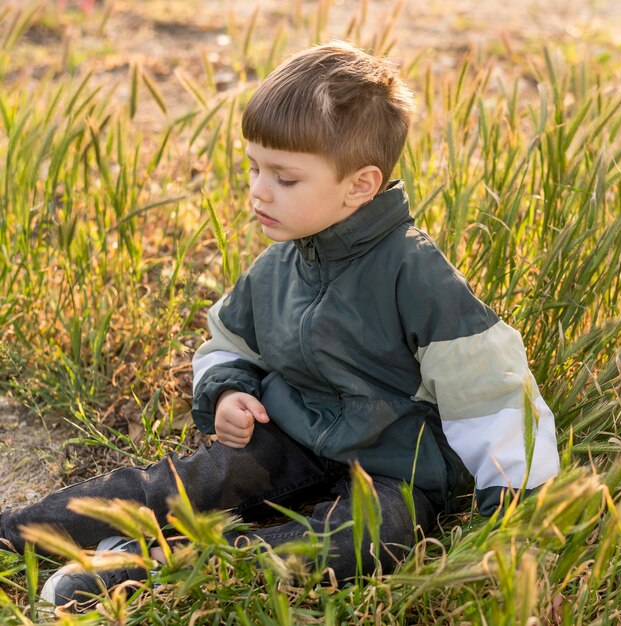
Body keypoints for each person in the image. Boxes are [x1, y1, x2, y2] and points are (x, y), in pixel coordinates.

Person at [0, 41, 559, 610]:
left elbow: (492, 391)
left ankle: (152, 564)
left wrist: (512, 508)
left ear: (360, 185)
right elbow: (229, 341)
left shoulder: (417, 276)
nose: (258, 191)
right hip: (292, 436)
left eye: (285, 178)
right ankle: (17, 529)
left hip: (396, 468)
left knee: (365, 539)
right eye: (254, 169)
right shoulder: (281, 262)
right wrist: (229, 389)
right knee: (195, 480)